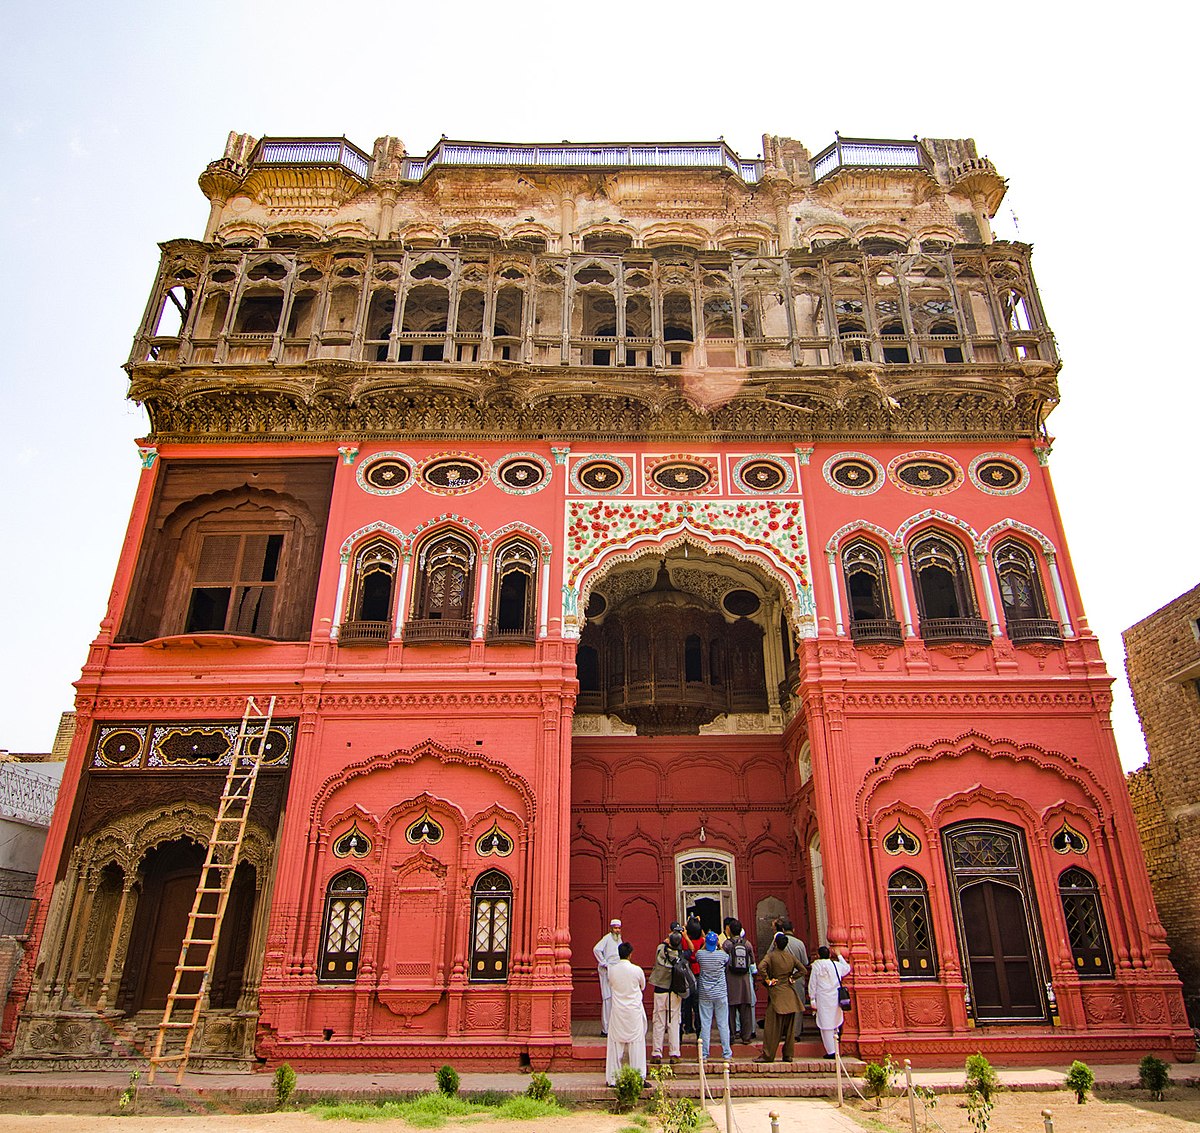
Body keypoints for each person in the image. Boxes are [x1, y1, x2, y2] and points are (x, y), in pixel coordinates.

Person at [755, 932, 806, 1062]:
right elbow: (803, 970)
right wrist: (792, 977)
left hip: (777, 993)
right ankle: (788, 1055)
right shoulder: (790, 957)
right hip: (790, 994)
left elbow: (761, 966)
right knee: (790, 1030)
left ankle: (768, 1055)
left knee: (772, 1028)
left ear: (775, 943)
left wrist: (768, 980)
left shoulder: (771, 956)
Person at [605, 941, 648, 1085]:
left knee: (615, 1045)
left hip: (618, 1010)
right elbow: (642, 986)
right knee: (637, 1045)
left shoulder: (612, 970)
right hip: (633, 1011)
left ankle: (613, 1078)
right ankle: (639, 1077)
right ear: (630, 955)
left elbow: (611, 983)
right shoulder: (637, 970)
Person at [648, 927, 693, 1064]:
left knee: (658, 1021)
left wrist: (668, 940)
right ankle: (674, 1053)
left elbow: (663, 944)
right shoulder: (681, 955)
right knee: (674, 1022)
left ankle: (657, 1053)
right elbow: (691, 950)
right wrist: (685, 937)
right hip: (674, 991)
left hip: (660, 990)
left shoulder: (660, 950)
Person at [807, 944, 851, 1059]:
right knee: (835, 1023)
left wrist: (812, 998)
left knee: (825, 1025)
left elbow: (813, 983)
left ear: (818, 955)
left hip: (823, 998)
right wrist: (840, 955)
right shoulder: (836, 965)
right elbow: (847, 968)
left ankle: (831, 1051)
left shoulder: (817, 966)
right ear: (830, 955)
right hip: (835, 997)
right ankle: (835, 1049)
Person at [695, 930, 732, 1062]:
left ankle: (704, 1054)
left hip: (705, 993)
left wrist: (706, 944)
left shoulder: (701, 955)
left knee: (705, 1024)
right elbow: (727, 959)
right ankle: (727, 1054)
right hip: (720, 993)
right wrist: (719, 945)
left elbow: (699, 953)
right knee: (723, 1024)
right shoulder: (722, 955)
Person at [723, 918, 756, 1044]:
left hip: (731, 979)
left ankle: (731, 1036)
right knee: (745, 1010)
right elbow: (752, 961)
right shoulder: (747, 944)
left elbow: (723, 961)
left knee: (731, 1010)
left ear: (730, 930)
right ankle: (746, 1037)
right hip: (744, 980)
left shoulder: (727, 944)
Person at [592, 918, 622, 1035]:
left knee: (614, 999)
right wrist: (604, 962)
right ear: (611, 928)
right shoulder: (607, 938)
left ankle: (613, 1027)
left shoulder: (618, 939)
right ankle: (606, 1029)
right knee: (607, 998)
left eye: (618, 928)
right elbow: (596, 949)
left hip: (616, 970)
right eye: (615, 928)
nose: (617, 930)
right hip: (607, 970)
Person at [679, 916, 704, 1037]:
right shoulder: (701, 942)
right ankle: (699, 1031)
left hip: (686, 973)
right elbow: (703, 936)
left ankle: (687, 1026)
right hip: (698, 972)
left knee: (686, 1002)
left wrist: (687, 924)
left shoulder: (684, 940)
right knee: (697, 1003)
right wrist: (698, 924)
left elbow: (682, 933)